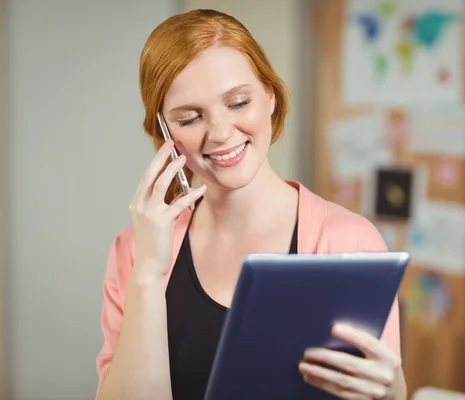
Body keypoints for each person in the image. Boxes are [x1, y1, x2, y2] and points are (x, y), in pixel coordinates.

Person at [95, 8, 406, 400]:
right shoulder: (132, 253)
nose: (221, 133)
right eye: (190, 118)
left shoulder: (349, 241)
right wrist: (147, 275)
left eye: (239, 102)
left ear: (270, 97)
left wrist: (392, 396)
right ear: (163, 131)